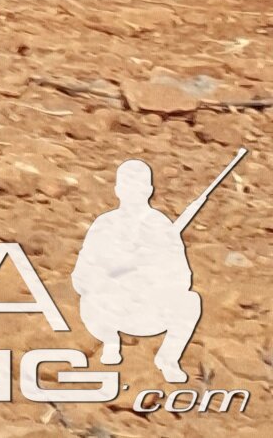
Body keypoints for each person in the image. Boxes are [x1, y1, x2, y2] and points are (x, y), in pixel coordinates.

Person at [72, 159, 202, 384]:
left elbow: (183, 278)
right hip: (108, 309)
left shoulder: (161, 227)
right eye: (128, 187)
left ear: (149, 190)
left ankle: (168, 359)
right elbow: (81, 276)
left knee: (191, 301)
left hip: (146, 309)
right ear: (118, 190)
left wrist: (154, 271)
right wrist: (117, 272)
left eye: (139, 187)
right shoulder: (105, 224)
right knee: (92, 298)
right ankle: (111, 342)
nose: (133, 193)